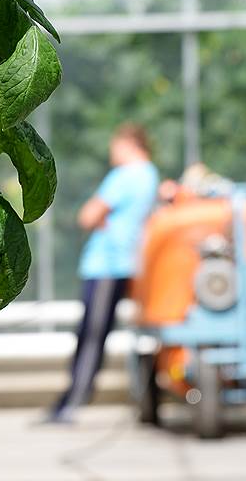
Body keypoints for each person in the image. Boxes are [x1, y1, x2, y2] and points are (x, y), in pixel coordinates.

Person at [50, 123, 159, 422]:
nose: (112, 152)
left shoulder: (124, 176)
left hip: (106, 265)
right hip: (128, 264)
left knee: (91, 335)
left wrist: (103, 223)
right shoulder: (150, 176)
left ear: (128, 144)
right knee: (99, 333)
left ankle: (71, 403)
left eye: (115, 146)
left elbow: (87, 215)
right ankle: (70, 400)